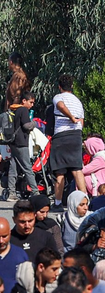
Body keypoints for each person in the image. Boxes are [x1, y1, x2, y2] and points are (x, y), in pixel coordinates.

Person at [51, 74, 86, 203]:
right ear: (71, 86)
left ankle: (58, 202)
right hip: (76, 135)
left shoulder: (58, 97)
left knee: (60, 171)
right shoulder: (78, 101)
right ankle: (85, 199)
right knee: (77, 169)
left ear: (59, 87)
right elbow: (81, 121)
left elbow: (60, 106)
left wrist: (70, 117)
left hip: (61, 136)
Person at [3, 92, 39, 202]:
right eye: (31, 102)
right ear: (24, 101)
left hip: (13, 142)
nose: (32, 105)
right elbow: (26, 125)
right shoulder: (23, 110)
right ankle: (35, 191)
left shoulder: (14, 110)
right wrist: (35, 123)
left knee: (13, 168)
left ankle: (11, 192)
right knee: (27, 167)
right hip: (21, 142)